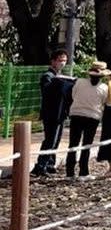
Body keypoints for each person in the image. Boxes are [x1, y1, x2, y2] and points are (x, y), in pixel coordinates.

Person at [66, 61, 109, 179]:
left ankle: (69, 172)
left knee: (73, 143)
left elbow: (73, 95)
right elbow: (104, 102)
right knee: (86, 144)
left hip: (76, 114)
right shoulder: (104, 88)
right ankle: (83, 172)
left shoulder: (79, 82)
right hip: (92, 117)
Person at [33, 49, 71, 177]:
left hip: (61, 113)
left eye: (65, 60)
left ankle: (50, 164)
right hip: (51, 114)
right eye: (60, 60)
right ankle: (41, 166)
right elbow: (48, 92)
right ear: (53, 61)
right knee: (50, 140)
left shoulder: (60, 76)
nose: (63, 63)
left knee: (56, 140)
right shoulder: (48, 76)